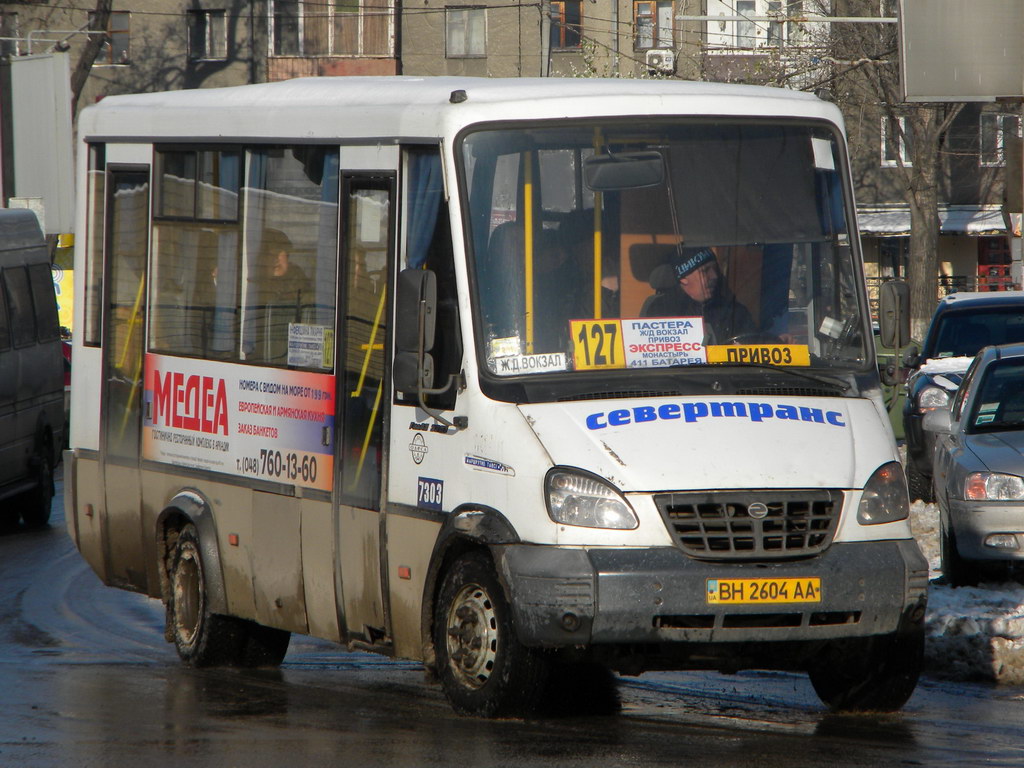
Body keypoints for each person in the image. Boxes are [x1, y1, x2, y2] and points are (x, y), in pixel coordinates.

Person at [642, 247, 755, 344]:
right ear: (683, 278)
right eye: (705, 271)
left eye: (715, 269)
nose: (714, 276)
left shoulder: (735, 312)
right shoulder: (661, 310)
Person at [251, 228, 311, 364]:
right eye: (269, 255)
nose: (276, 260)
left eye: (279, 253)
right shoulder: (251, 291)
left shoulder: (303, 288)